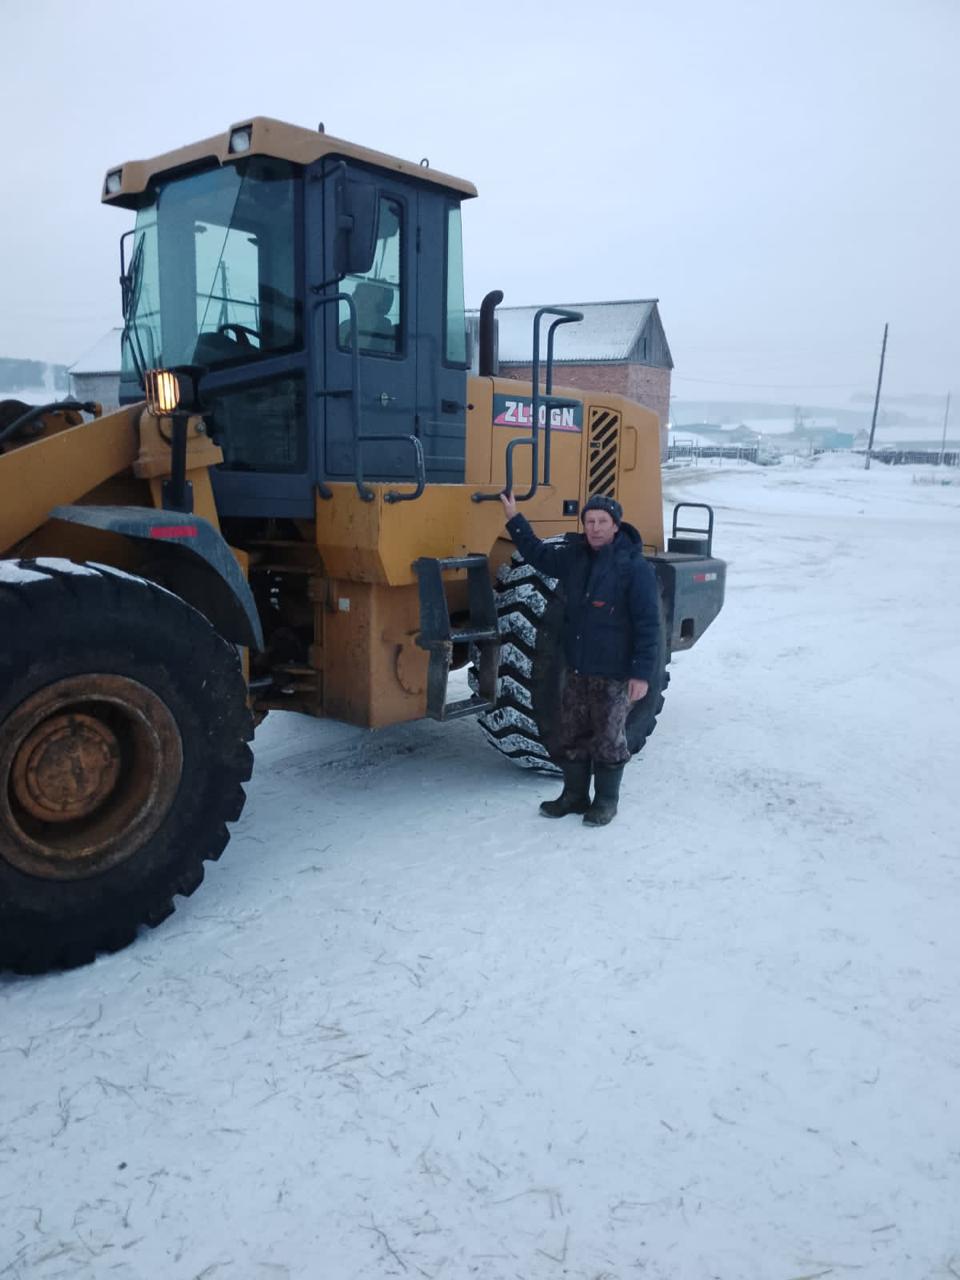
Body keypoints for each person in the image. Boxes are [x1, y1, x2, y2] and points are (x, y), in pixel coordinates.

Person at [499, 489, 662, 826]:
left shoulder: (634, 568)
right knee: (571, 735)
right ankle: (574, 796)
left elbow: (649, 625)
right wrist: (514, 518)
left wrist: (641, 674)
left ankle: (605, 801)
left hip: (613, 673)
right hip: (578, 669)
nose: (595, 528)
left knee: (608, 738)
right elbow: (538, 554)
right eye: (590, 521)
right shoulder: (575, 558)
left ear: (616, 525)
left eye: (602, 521)